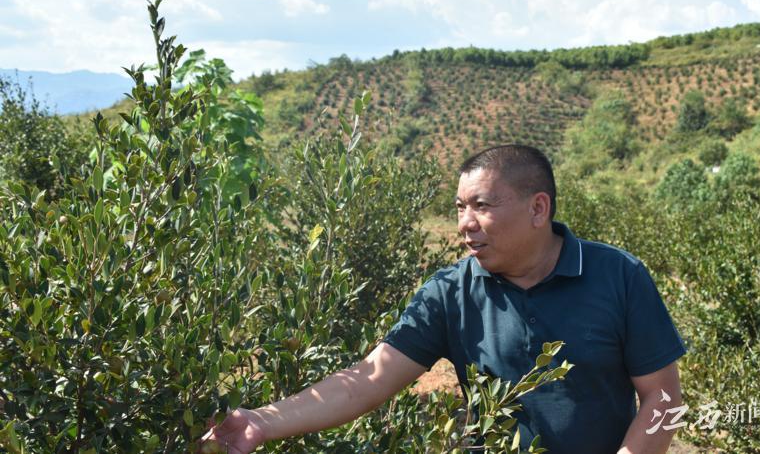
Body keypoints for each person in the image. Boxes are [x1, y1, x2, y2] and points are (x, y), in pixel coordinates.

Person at [202, 145, 686, 454]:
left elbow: (665, 397)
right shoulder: (450, 291)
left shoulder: (618, 276)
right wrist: (260, 421)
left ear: (538, 208)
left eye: (482, 205)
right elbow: (362, 383)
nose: (464, 224)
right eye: (459, 208)